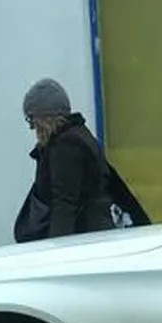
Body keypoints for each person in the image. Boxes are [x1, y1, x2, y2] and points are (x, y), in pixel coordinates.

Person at [16, 78, 118, 241]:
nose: (32, 129)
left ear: (44, 119)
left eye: (32, 121)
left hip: (83, 240)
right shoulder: (80, 136)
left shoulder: (66, 147)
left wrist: (56, 250)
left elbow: (64, 204)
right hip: (94, 235)